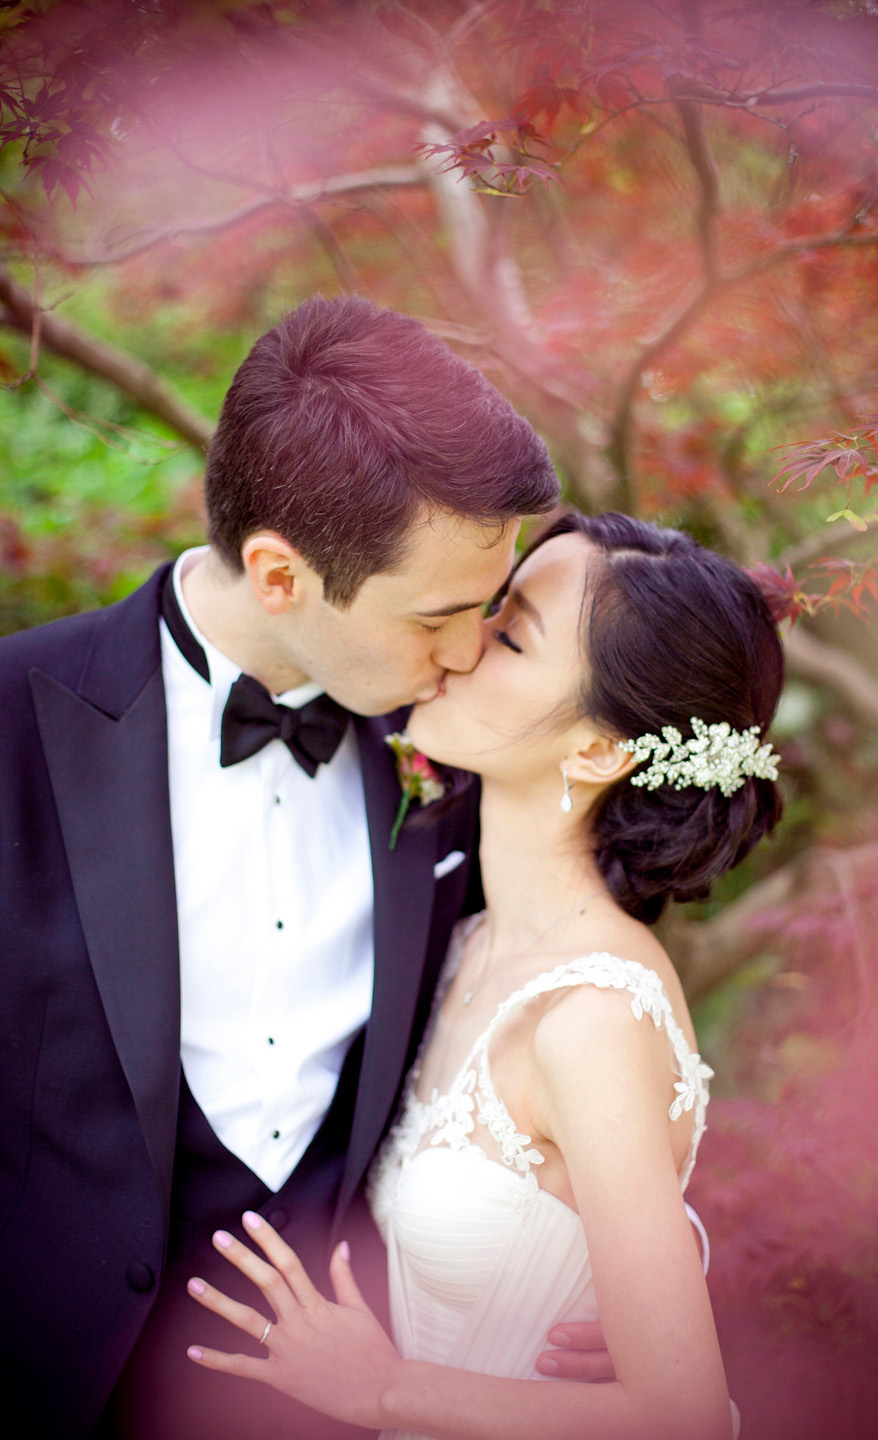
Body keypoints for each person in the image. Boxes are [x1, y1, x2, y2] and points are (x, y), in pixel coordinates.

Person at [0, 294, 585, 1440]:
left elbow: (547, 1007)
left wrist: (590, 1272)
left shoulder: (461, 749)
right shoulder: (13, 722)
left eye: (491, 610)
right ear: (279, 576)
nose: (468, 654)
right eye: (440, 615)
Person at [185, 510, 784, 1439]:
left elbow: (687, 1415)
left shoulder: (593, 1017)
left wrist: (383, 1391)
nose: (461, 643)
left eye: (506, 636)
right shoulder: (463, 936)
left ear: (596, 750)